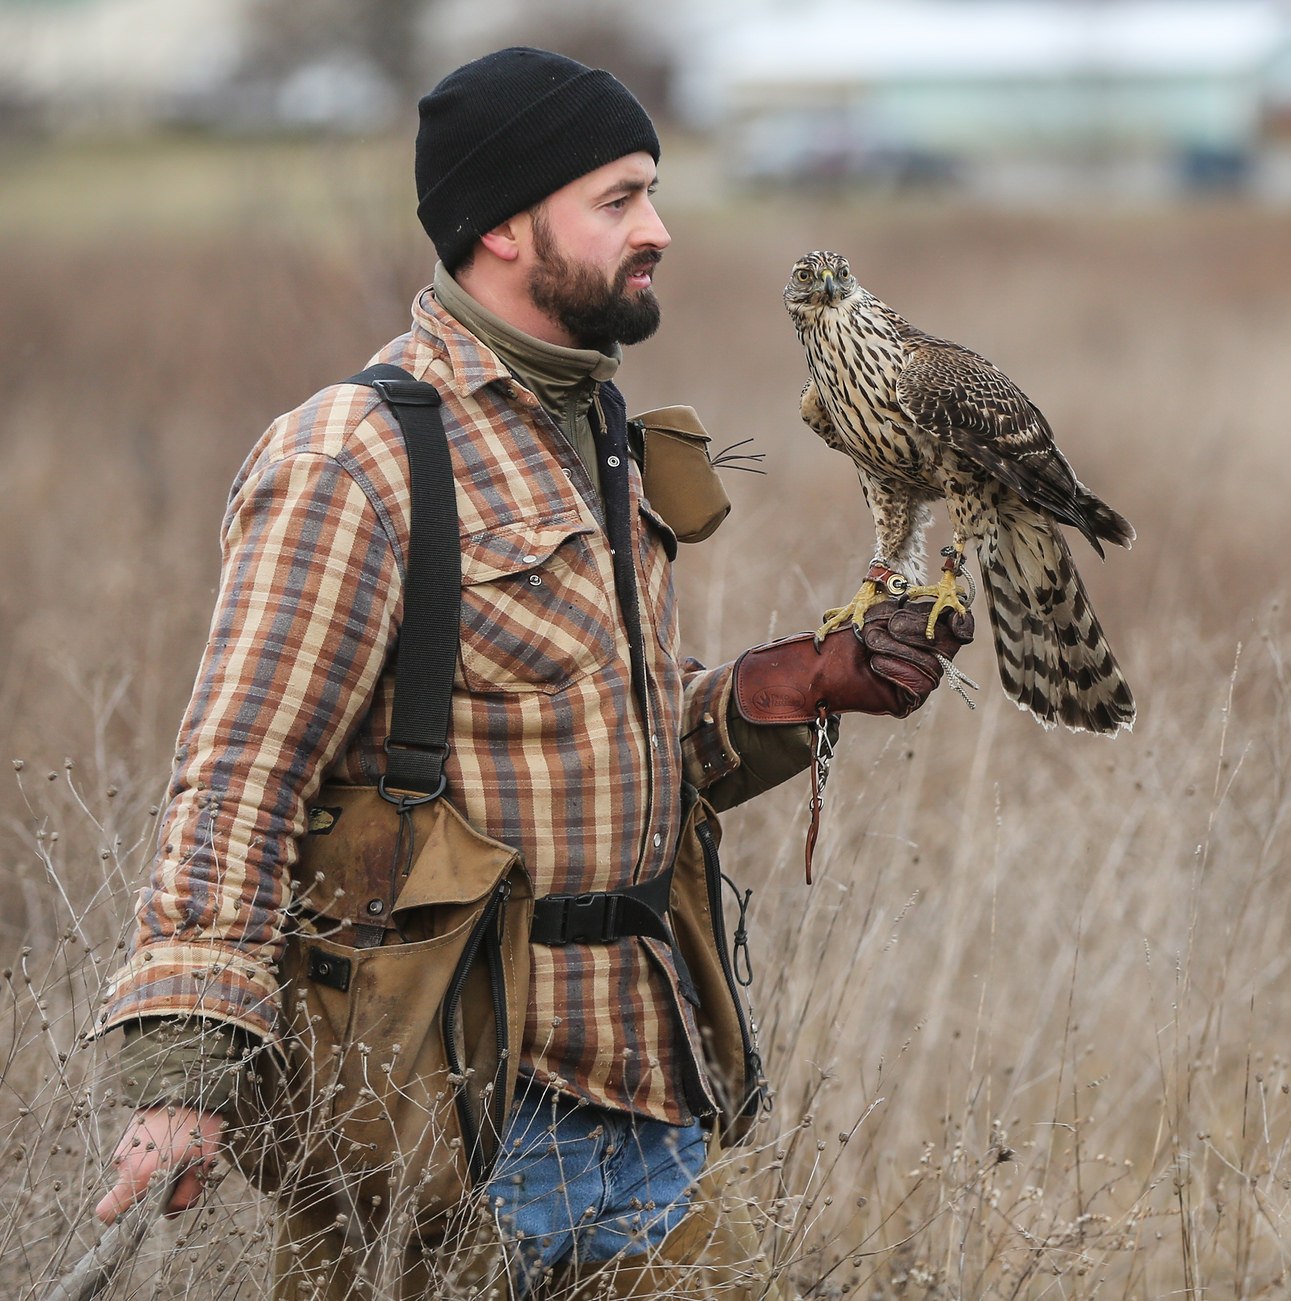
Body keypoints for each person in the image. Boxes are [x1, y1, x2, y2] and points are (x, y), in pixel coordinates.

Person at [88, 47, 967, 1299]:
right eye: (617, 199)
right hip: (451, 1126)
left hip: (648, 1100)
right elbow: (238, 770)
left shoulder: (595, 430)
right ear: (501, 222)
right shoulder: (358, 455)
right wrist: (186, 1067)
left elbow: (601, 735)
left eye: (652, 192)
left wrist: (792, 690)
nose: (657, 228)